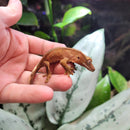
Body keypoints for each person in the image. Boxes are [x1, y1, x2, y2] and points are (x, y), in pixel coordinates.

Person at [0, 0, 72, 103]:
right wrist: (48, 74)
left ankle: (38, 74)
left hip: (46, 59)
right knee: (45, 66)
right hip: (45, 61)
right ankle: (43, 74)